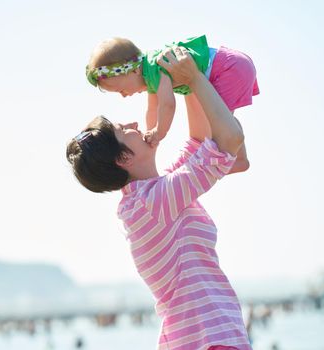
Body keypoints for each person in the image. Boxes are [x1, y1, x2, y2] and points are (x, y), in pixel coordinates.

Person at [67, 48, 251, 349]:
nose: (134, 124)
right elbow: (229, 141)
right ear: (122, 159)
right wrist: (193, 77)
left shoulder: (149, 196)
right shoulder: (150, 202)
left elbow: (199, 143)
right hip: (208, 339)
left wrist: (189, 74)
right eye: (122, 130)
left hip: (205, 338)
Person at [86, 35, 258, 149]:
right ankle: (238, 159)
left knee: (219, 128)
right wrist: (150, 132)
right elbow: (153, 109)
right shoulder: (149, 72)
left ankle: (236, 159)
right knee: (222, 123)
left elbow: (167, 105)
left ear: (133, 70)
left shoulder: (156, 68)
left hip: (229, 70)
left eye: (120, 90)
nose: (123, 95)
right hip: (234, 64)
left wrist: (160, 132)